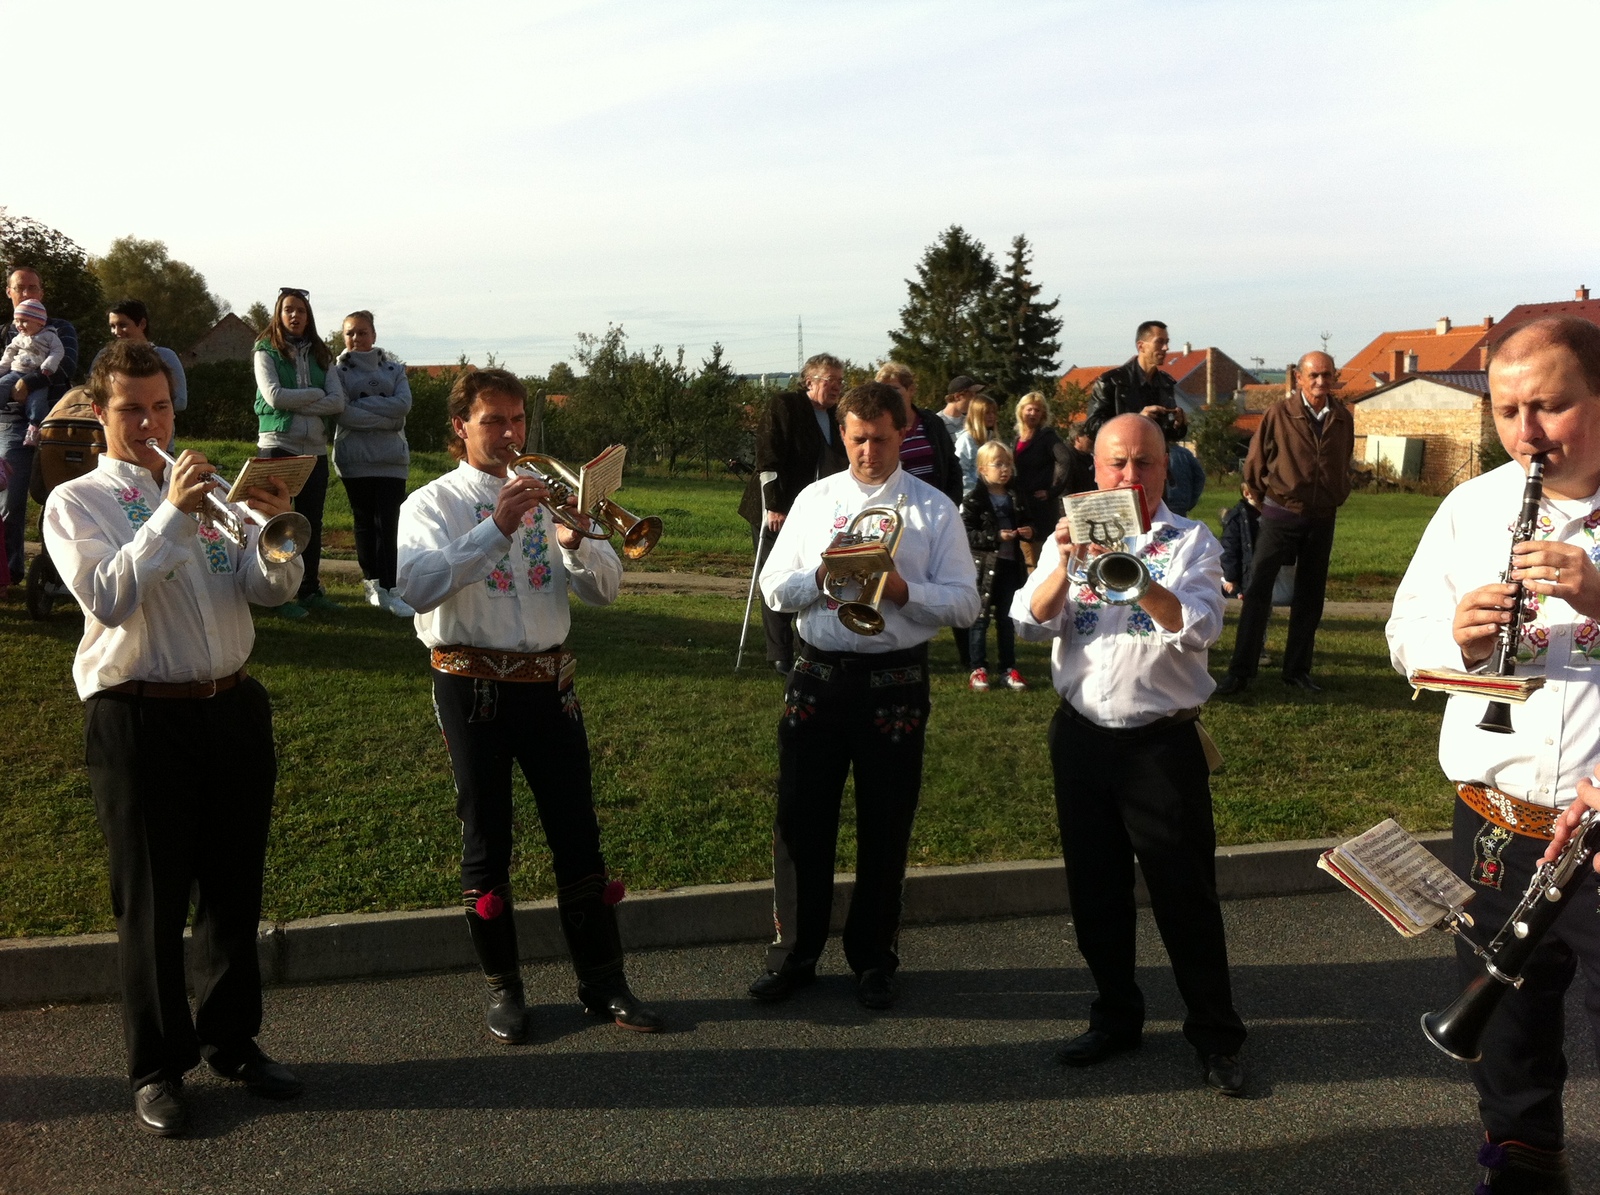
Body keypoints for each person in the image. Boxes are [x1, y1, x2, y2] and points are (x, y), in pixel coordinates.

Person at [41, 340, 305, 1137]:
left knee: (233, 886)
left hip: (231, 706)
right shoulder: (76, 501)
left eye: (161, 407)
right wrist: (171, 514)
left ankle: (232, 1039)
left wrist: (274, 535)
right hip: (140, 714)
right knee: (152, 900)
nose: (151, 424)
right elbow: (109, 596)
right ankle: (157, 1066)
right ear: (99, 412)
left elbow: (261, 586)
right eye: (133, 410)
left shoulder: (209, 490)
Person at [1388, 316, 1600, 1193]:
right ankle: (1523, 1167)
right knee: (1507, 1031)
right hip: (1497, 821)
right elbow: (1404, 635)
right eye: (1508, 411)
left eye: (1549, 406)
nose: (1526, 432)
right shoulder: (1472, 506)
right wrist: (1459, 639)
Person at [394, 368, 662, 1043]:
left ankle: (603, 980)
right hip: (473, 685)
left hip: (549, 682)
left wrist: (579, 541)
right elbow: (416, 587)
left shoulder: (550, 496)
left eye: (518, 419)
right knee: (487, 834)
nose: (510, 433)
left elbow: (605, 590)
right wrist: (496, 526)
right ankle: (505, 989)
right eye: (494, 421)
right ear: (460, 427)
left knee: (577, 831)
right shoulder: (430, 503)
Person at [1011, 412, 1248, 1096]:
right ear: (1096, 469)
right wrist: (1065, 564)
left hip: (1160, 745)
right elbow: (1029, 621)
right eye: (1117, 462)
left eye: (1144, 463)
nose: (1129, 475)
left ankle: (1216, 1034)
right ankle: (1115, 1016)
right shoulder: (1068, 532)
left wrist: (1138, 577)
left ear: (1165, 470)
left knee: (1185, 895)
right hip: (1082, 737)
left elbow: (1200, 627)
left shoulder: (1191, 541)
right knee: (1095, 892)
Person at [748, 381, 980, 1010]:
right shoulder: (814, 499)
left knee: (886, 822)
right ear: (844, 435)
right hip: (818, 675)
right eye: (857, 439)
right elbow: (774, 588)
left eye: (880, 439)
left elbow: (966, 604)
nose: (868, 452)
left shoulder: (934, 509)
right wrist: (822, 575)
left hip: (894, 681)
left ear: (903, 433)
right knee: (801, 819)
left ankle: (874, 958)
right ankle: (795, 954)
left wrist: (904, 591)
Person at [1216, 351, 1352, 694]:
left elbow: (1344, 460)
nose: (1320, 381)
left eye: (1327, 375)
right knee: (1257, 591)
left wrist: (1338, 493)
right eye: (1314, 375)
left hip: (1322, 517)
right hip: (1280, 514)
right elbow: (1255, 464)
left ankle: (1297, 671)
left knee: (1310, 597)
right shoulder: (1279, 413)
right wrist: (1270, 500)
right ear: (1300, 378)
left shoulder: (1342, 417)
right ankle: (1241, 672)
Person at [737, 354, 848, 673]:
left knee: (812, 575)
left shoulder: (837, 415)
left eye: (840, 381)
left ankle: (809, 644)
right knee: (776, 576)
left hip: (817, 513)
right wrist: (774, 505)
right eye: (831, 380)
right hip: (778, 509)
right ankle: (780, 653)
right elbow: (768, 456)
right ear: (809, 381)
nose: (837, 387)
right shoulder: (786, 405)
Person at [253, 287, 346, 621]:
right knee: (276, 521)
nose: (295, 316)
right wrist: (316, 393)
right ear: (278, 315)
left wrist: (301, 400)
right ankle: (276, 595)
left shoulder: (322, 354)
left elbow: (338, 401)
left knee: (310, 523)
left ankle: (309, 589)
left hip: (314, 450)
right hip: (278, 443)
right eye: (288, 310)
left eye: (301, 311)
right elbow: (275, 397)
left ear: (309, 316)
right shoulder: (265, 350)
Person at [333, 310, 414, 617]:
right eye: (350, 333)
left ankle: (393, 588)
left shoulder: (395, 369)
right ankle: (373, 585)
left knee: (390, 523)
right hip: (355, 459)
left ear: (374, 335)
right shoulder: (337, 372)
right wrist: (386, 418)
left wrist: (363, 405)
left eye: (362, 332)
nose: (356, 338)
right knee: (365, 522)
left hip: (392, 459)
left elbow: (403, 405)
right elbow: (343, 413)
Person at [0, 266, 78, 586]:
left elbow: (66, 365)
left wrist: (27, 383)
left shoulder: (60, 328)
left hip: (55, 425)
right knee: (10, 503)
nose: (27, 293)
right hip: (10, 426)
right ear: (9, 292)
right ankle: (9, 573)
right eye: (20, 288)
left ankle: (56, 576)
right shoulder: (5, 333)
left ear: (42, 293)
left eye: (33, 288)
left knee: (60, 502)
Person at [962, 440, 1031, 691]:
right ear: (982, 469)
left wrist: (1029, 531)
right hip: (983, 568)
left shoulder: (1015, 496)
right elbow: (966, 533)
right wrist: (995, 537)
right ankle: (978, 667)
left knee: (1006, 619)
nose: (1005, 470)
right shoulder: (974, 500)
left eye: (1008, 464)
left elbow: (1029, 520)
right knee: (980, 618)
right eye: (998, 464)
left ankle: (1008, 668)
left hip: (1010, 565)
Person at [1085, 321, 1185, 443]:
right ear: (1141, 346)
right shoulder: (1112, 382)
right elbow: (1091, 427)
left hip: (1155, 453)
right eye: (1159, 342)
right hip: (1122, 453)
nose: (1166, 348)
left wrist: (1178, 425)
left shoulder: (1165, 383)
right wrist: (1136, 421)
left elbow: (1168, 435)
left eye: (1167, 342)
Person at [105, 299, 188, 417]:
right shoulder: (104, 357)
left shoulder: (165, 356)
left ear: (142, 324)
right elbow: (92, 395)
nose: (116, 331)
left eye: (122, 325)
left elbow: (181, 401)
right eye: (112, 326)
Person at [1012, 391, 1072, 549]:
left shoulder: (1047, 436)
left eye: (1037, 410)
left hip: (1041, 506)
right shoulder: (1017, 438)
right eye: (1029, 409)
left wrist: (1053, 491)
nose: (1033, 413)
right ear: (1021, 411)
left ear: (1043, 414)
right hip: (1022, 503)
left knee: (1041, 548)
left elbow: (1065, 459)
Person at [0, 299, 65, 414]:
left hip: (37, 374)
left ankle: (35, 422)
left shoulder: (49, 336)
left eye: (24, 321)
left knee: (37, 401)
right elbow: (9, 352)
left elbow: (58, 350)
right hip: (16, 371)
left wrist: (48, 366)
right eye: (17, 321)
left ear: (39, 323)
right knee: (2, 384)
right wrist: (2, 368)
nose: (19, 325)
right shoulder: (19, 337)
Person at [954, 394, 998, 494]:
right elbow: (961, 472)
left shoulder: (993, 438)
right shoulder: (966, 440)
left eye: (993, 412)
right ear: (977, 415)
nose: (991, 416)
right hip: (973, 495)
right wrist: (974, 493)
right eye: (987, 413)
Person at [1164, 438, 1206, 518]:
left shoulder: (1155, 453)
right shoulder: (1185, 454)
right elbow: (1200, 477)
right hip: (1181, 502)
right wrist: (1192, 500)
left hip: (1162, 502)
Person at [939, 375, 982, 439]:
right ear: (957, 396)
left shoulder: (971, 423)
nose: (974, 400)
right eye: (971, 395)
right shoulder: (936, 422)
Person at [1066, 425, 1095, 496]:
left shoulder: (1090, 458)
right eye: (1090, 437)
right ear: (1078, 439)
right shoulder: (1066, 459)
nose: (1093, 441)